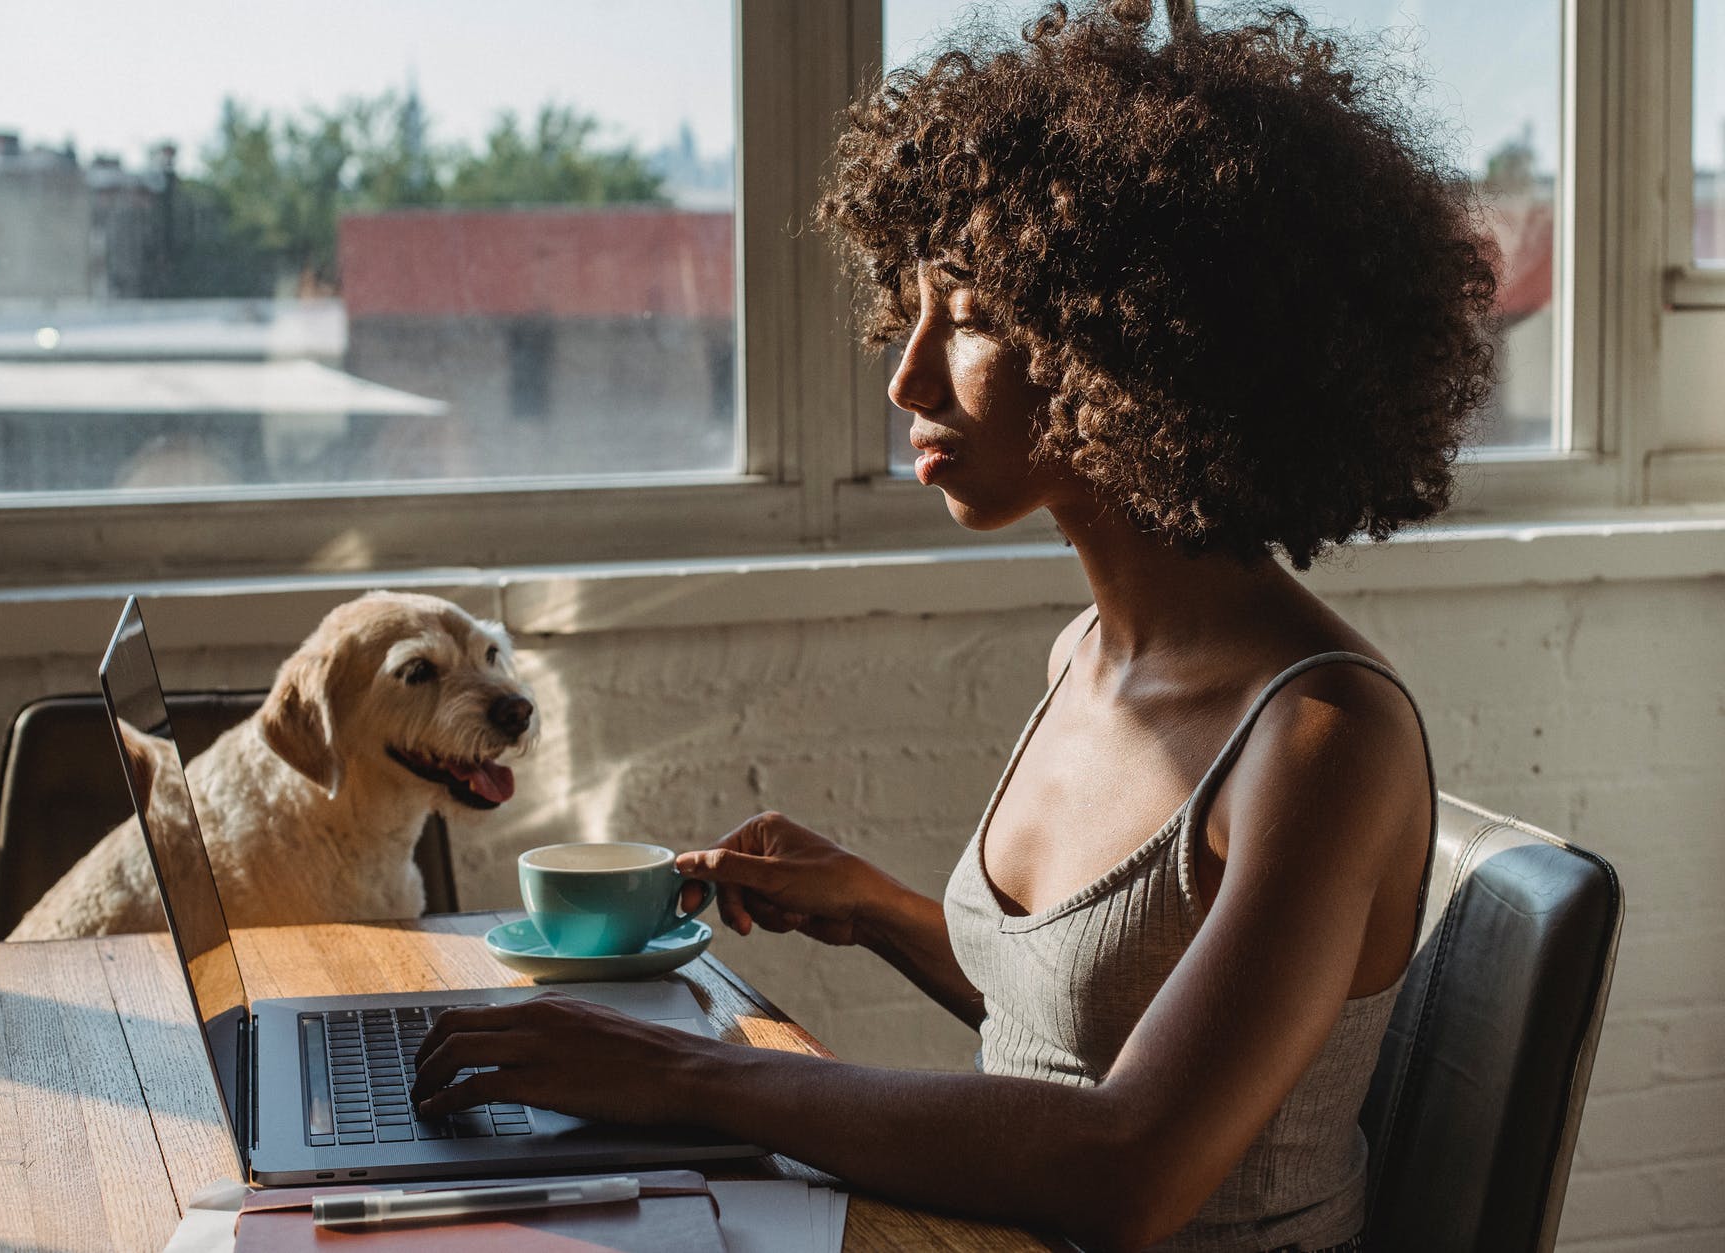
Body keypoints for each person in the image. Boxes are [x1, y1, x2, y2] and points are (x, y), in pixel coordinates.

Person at [410, 2, 1497, 1248]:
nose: (906, 375)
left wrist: (681, 1077)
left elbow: (1127, 1161)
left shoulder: (1322, 737)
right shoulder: (1087, 656)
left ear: (1144, 336)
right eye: (909, 308)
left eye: (968, 314)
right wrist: (869, 906)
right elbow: (1073, 1030)